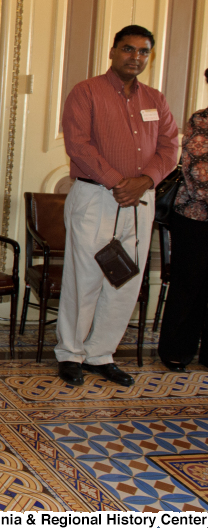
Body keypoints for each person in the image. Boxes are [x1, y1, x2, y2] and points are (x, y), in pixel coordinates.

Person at [57, 26, 179, 387]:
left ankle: (100, 354)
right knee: (86, 278)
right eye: (128, 49)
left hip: (141, 200)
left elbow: (170, 147)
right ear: (112, 51)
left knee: (127, 279)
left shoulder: (155, 99)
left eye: (143, 52)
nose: (135, 57)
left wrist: (144, 181)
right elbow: (78, 144)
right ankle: (70, 352)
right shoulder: (87, 92)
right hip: (96, 197)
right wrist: (117, 182)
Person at [157, 68, 208, 372]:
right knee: (189, 286)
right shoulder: (201, 120)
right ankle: (177, 349)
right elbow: (197, 173)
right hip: (195, 218)